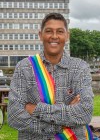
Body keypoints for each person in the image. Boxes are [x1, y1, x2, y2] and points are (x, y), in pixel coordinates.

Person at [8, 12, 94, 140]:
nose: (54, 36)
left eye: (60, 31)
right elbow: (14, 117)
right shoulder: (24, 67)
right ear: (40, 35)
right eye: (49, 31)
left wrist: (36, 109)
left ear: (67, 36)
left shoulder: (80, 67)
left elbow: (85, 113)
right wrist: (62, 125)